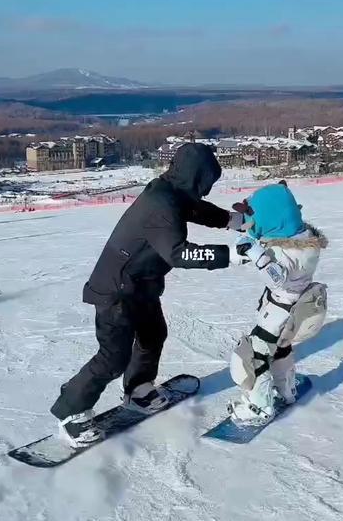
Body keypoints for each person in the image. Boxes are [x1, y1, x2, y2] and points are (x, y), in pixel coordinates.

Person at [51, 143, 246, 447]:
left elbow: (195, 208)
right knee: (112, 358)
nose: (207, 189)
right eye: (206, 182)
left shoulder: (171, 192)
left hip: (141, 284)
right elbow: (179, 254)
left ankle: (139, 391)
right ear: (197, 177)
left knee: (153, 334)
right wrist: (231, 255)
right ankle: (71, 413)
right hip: (116, 289)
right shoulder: (160, 204)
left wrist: (234, 221)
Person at [228, 182, 328, 425]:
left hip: (278, 311)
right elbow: (263, 241)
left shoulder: (286, 254)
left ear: (273, 216)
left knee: (255, 355)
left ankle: (259, 406)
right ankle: (287, 390)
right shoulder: (302, 241)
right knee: (281, 348)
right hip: (295, 308)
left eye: (253, 215)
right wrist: (247, 250)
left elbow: (278, 276)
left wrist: (256, 255)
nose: (251, 222)